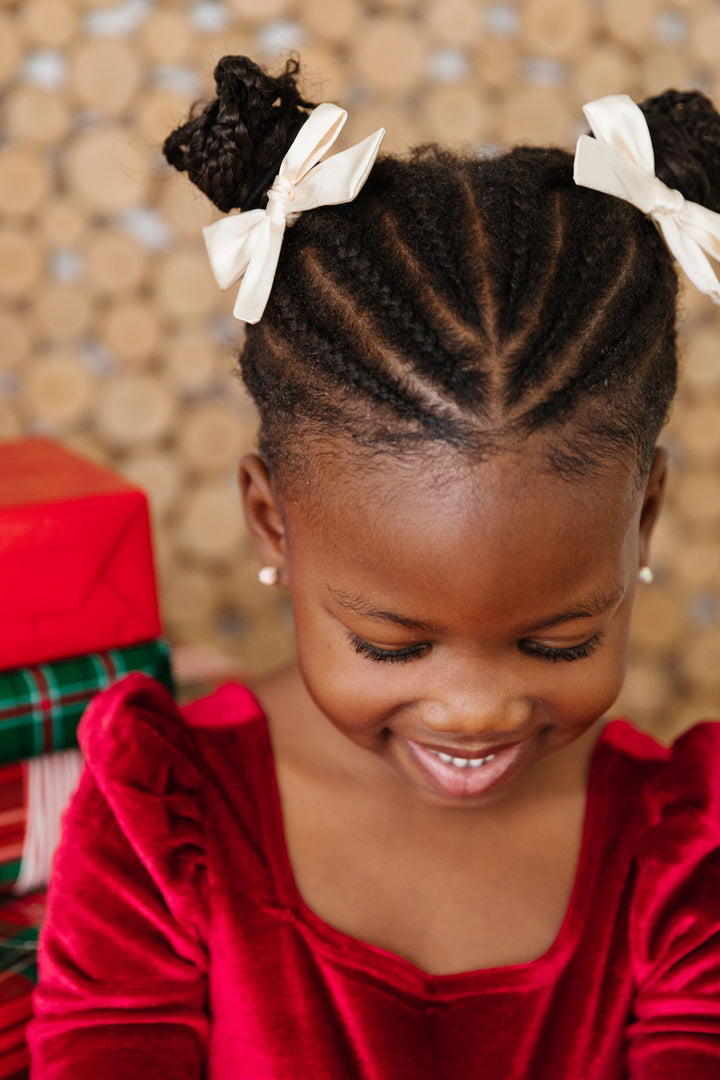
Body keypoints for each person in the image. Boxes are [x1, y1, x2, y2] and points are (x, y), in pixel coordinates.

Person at [28, 56, 720, 1079]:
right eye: (392, 646)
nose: (476, 709)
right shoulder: (163, 824)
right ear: (272, 525)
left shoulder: (680, 857)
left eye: (559, 640)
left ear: (644, 520)